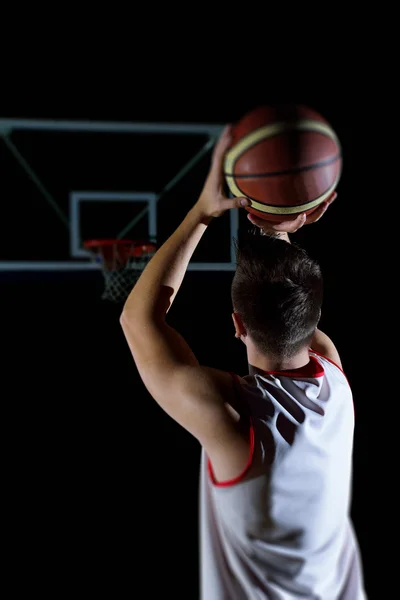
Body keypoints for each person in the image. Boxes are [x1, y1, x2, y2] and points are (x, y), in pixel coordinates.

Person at [120, 127, 366, 599]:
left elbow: (136, 319)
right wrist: (274, 228)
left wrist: (203, 212)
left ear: (236, 324)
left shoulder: (237, 423)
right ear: (313, 318)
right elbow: (288, 298)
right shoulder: (334, 378)